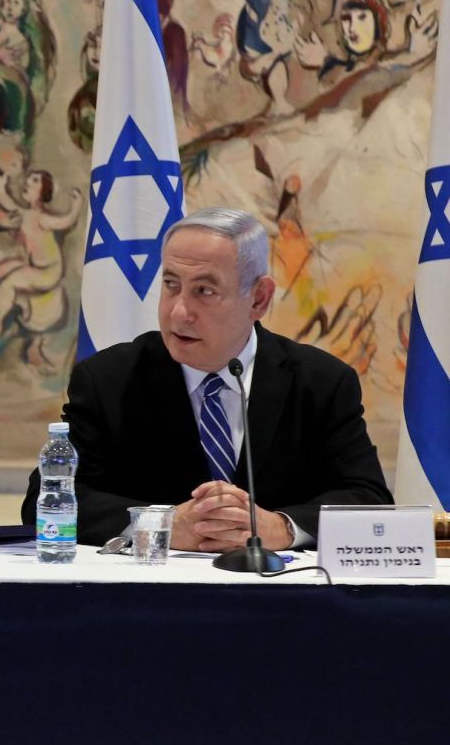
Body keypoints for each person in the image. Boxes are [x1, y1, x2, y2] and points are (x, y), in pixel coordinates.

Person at [21, 208, 392, 549]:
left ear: (259, 299)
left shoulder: (320, 382)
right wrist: (158, 522)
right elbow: (49, 495)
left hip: (280, 601)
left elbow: (368, 500)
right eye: (170, 284)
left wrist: (282, 527)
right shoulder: (109, 379)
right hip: (153, 602)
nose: (179, 311)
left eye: (205, 290)